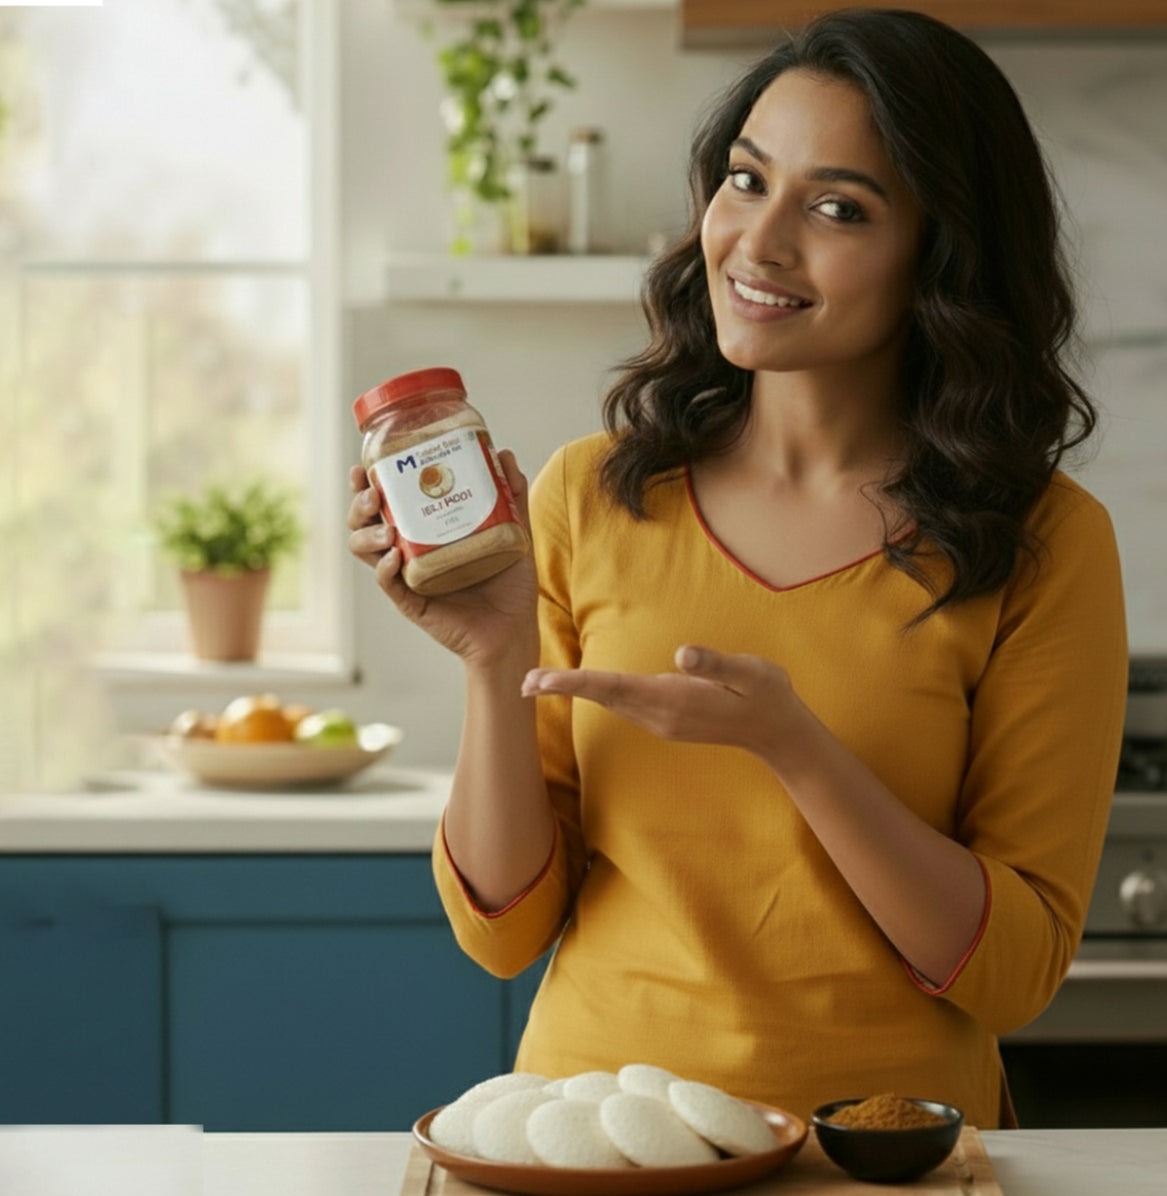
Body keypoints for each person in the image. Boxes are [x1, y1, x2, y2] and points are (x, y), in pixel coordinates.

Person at [348, 7, 1127, 1130]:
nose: (758, 244)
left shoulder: (1043, 539)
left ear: (941, 253)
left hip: (881, 1154)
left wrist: (795, 747)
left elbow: (1014, 975)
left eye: (838, 208)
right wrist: (494, 656)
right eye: (747, 181)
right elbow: (503, 932)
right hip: (592, 1142)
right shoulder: (592, 492)